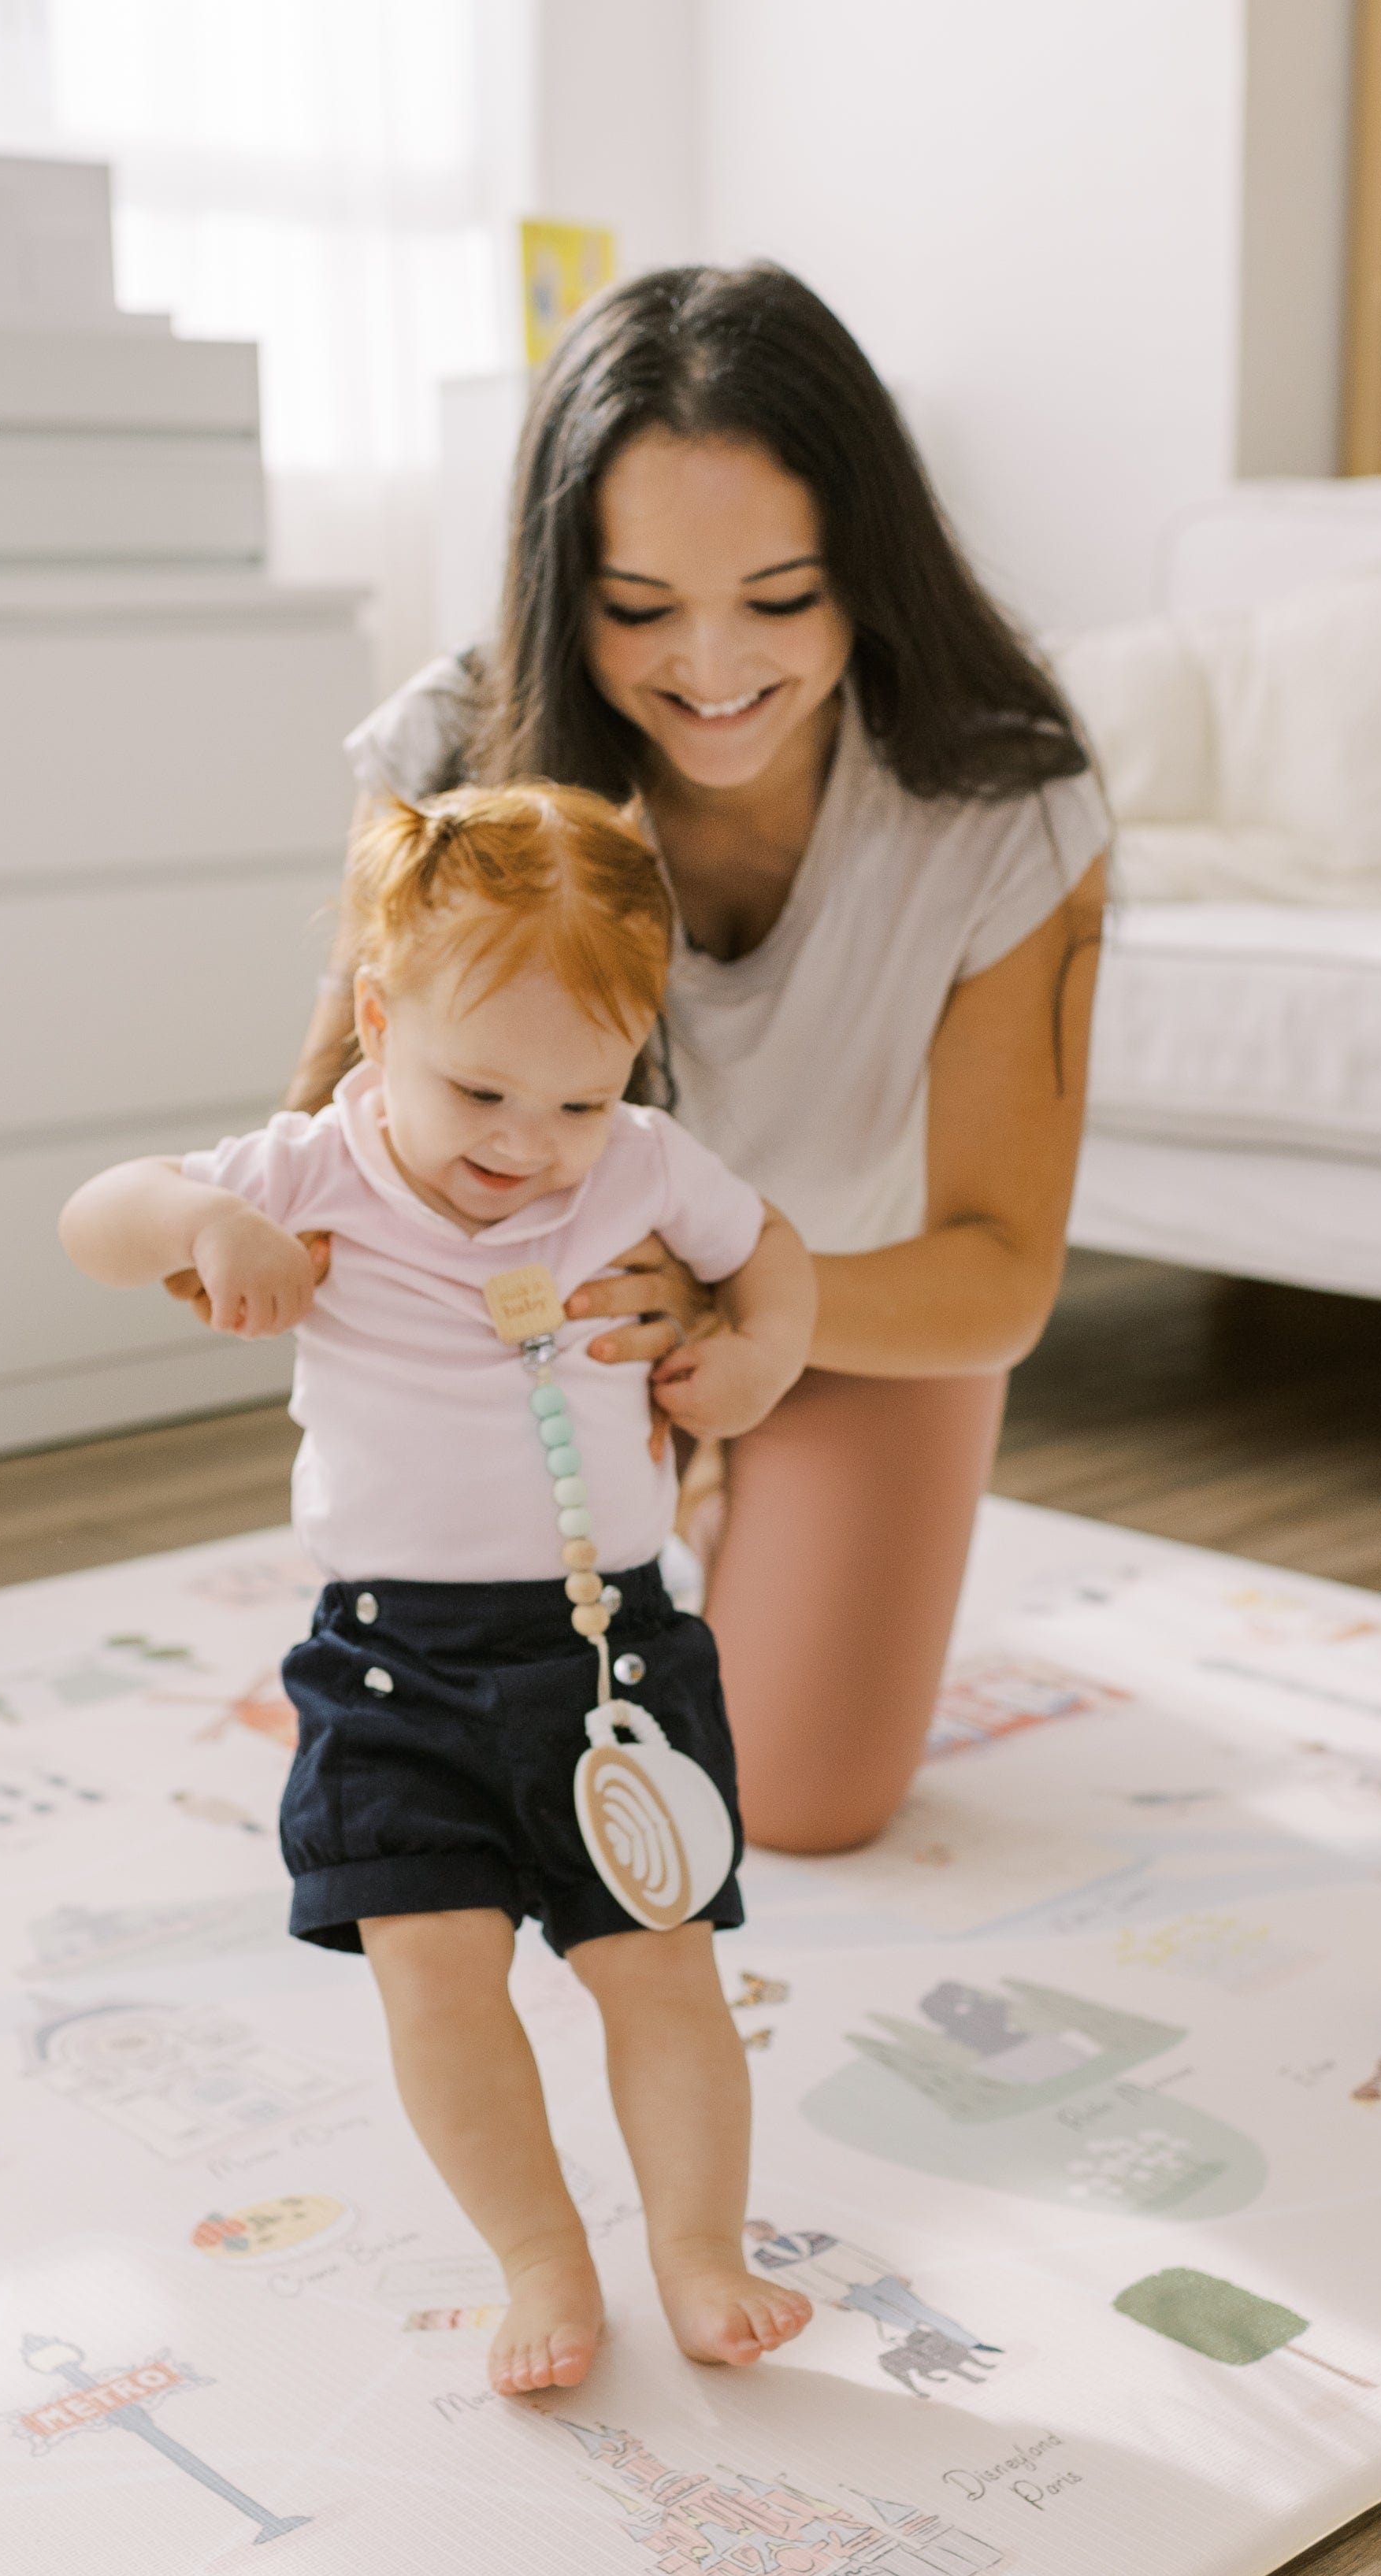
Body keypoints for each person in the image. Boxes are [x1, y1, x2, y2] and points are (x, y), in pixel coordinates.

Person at [286, 264, 1109, 1855]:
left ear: (868, 567)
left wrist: (744, 1303)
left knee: (793, 1801)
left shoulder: (1002, 798)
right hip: (561, 1323)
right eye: (640, 606)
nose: (711, 665)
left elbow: (1002, 1274)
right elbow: (328, 1127)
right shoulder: (455, 751)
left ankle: (745, 1486)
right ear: (557, 582)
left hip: (858, 1303)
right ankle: (697, 1490)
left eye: (781, 597)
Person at [61, 784, 817, 2398]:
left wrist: (750, 1353)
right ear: (377, 1022)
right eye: (477, 1087)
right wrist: (202, 1217)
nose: (521, 1146)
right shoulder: (314, 1166)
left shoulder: (635, 1169)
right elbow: (95, 1219)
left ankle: (697, 2245)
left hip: (610, 1650)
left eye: (575, 1097)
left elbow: (775, 1253)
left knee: (658, 1967)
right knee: (434, 1968)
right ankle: (539, 2249)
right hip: (391, 1665)